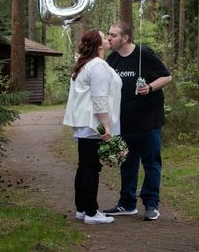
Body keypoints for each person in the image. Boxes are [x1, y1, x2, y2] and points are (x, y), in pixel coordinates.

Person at [103, 22, 171, 221]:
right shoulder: (112, 59)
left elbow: (166, 77)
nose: (109, 38)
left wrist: (149, 87)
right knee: (127, 162)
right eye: (108, 34)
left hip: (148, 121)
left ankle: (151, 205)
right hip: (124, 122)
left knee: (151, 163)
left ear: (125, 38)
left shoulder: (144, 54)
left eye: (113, 35)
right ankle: (127, 203)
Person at [63, 29, 122, 225]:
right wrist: (106, 126)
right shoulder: (97, 66)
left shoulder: (86, 65)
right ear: (98, 45)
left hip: (85, 124)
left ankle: (82, 209)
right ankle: (91, 211)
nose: (108, 39)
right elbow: (99, 99)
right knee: (90, 168)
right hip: (93, 123)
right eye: (105, 37)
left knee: (85, 167)